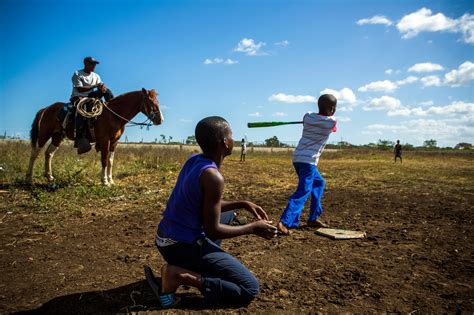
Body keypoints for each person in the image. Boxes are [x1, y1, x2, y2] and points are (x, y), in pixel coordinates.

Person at [145, 116, 278, 308]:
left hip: (166, 238)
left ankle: (203, 264)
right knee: (249, 288)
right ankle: (179, 275)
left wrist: (243, 203)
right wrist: (253, 228)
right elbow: (212, 230)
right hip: (180, 247)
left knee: (228, 215)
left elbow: (205, 205)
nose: (233, 138)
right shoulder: (213, 176)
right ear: (224, 143)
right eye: (230, 134)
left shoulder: (195, 160)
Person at [277, 94, 337, 235]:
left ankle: (313, 218)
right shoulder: (331, 122)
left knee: (319, 183)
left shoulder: (308, 116)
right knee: (303, 191)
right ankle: (284, 221)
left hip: (298, 158)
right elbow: (333, 128)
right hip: (308, 162)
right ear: (332, 109)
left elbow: (309, 120)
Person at [70, 56, 114, 154]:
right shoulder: (77, 74)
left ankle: (113, 110)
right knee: (82, 110)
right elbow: (79, 89)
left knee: (107, 91)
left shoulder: (96, 76)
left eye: (94, 64)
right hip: (79, 97)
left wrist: (103, 87)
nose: (94, 66)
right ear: (86, 63)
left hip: (91, 96)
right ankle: (80, 137)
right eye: (92, 63)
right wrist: (94, 86)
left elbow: (101, 85)